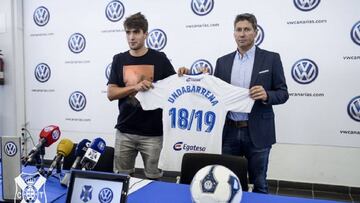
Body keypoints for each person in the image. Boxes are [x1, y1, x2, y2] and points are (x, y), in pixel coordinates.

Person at [214, 13, 289, 193]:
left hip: (258, 132)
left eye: (247, 29)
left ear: (255, 32)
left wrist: (266, 95)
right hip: (229, 132)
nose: (242, 34)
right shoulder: (222, 62)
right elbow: (215, 96)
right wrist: (197, 76)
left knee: (259, 183)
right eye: (238, 30)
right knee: (226, 183)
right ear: (234, 33)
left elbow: (283, 93)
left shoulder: (271, 59)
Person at [107, 12, 175, 179]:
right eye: (128, 32)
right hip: (125, 131)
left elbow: (174, 87)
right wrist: (135, 87)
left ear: (145, 34)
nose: (131, 37)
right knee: (122, 180)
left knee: (154, 179)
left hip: (153, 133)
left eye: (136, 32)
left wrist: (191, 74)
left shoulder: (159, 58)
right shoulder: (119, 59)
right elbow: (111, 93)